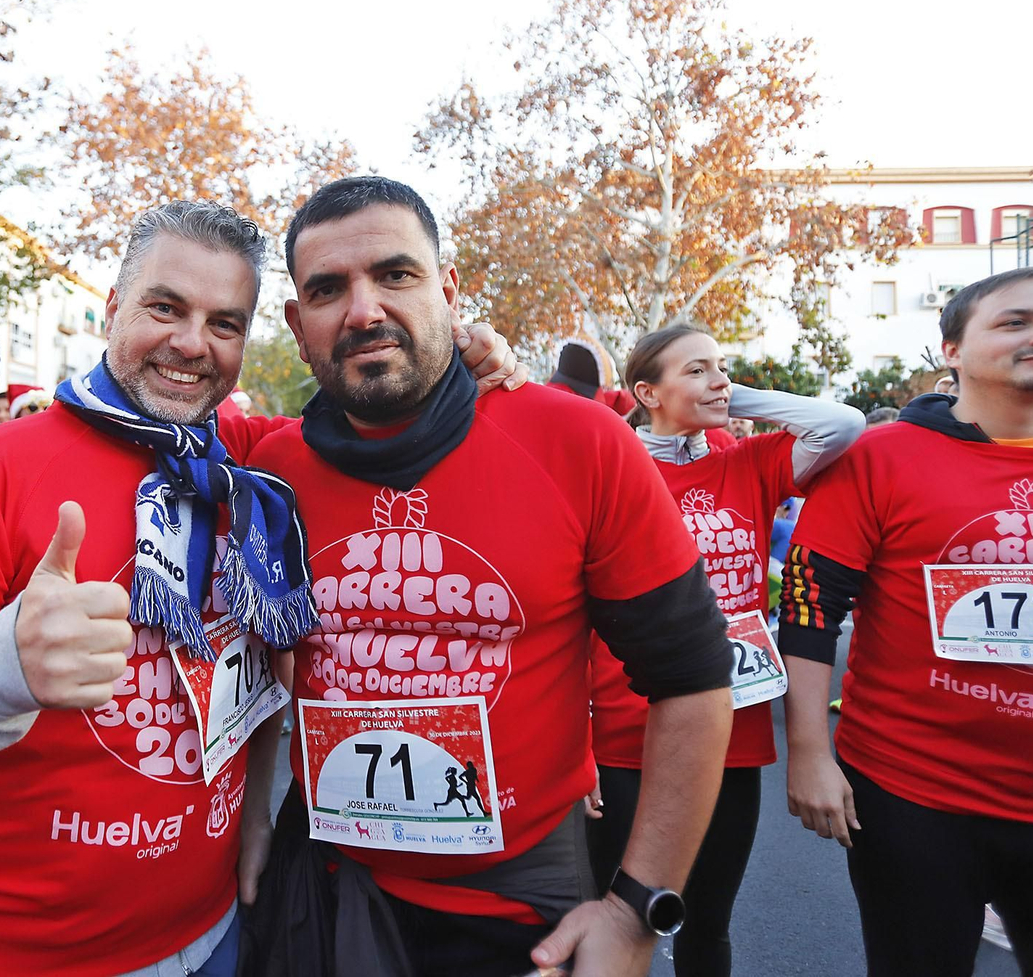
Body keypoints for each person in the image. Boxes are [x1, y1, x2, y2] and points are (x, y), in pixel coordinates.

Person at [0, 200, 523, 977]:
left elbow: (379, 415)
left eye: (224, 322)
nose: (191, 343)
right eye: (164, 307)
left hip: (212, 939)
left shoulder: (248, 472)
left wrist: (463, 358)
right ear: (113, 309)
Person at [245, 176, 734, 977]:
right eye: (328, 289)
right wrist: (250, 822)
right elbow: (254, 667)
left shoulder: (577, 441)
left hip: (518, 900)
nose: (363, 309)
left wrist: (639, 908)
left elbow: (692, 677)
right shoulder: (270, 468)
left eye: (395, 275)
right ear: (299, 325)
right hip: (328, 879)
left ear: (448, 291)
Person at [780, 266, 1033, 976]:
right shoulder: (879, 456)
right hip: (914, 792)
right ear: (951, 351)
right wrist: (809, 750)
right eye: (1015, 321)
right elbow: (810, 604)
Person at [585, 324, 864, 977]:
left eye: (724, 367)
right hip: (627, 731)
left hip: (731, 730)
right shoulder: (612, 466)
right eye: (698, 370)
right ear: (645, 390)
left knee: (708, 923)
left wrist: (725, 398)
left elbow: (842, 425)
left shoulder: (747, 461)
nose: (719, 379)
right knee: (620, 918)